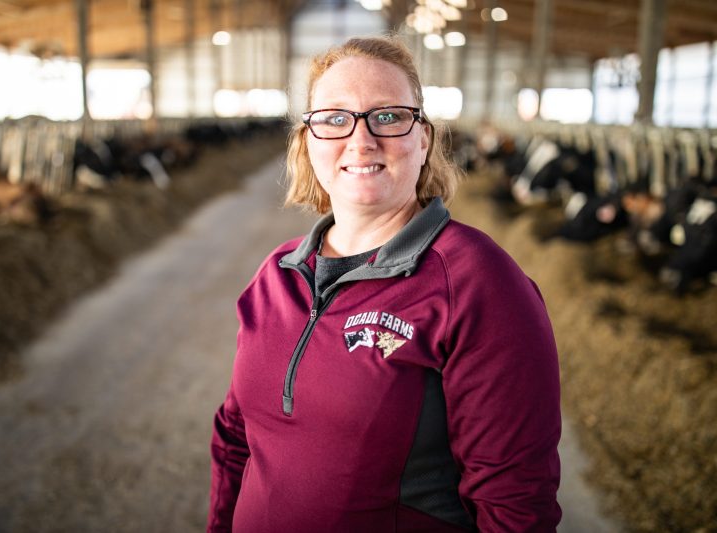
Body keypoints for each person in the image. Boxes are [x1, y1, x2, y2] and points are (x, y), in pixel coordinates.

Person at [209, 35, 561, 532]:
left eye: (389, 116)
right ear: (308, 142)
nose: (361, 140)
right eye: (334, 119)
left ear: (424, 139)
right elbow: (234, 437)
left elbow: (515, 504)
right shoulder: (278, 272)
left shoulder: (478, 281)